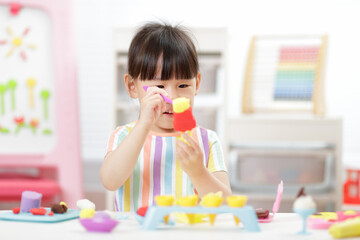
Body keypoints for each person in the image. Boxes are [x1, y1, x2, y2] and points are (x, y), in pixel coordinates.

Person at [100, 22, 232, 212]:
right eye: (160, 87)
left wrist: (198, 172)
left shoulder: (207, 140)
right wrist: (144, 124)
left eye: (183, 86)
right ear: (131, 86)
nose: (172, 98)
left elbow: (227, 204)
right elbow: (110, 181)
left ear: (197, 84)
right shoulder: (122, 136)